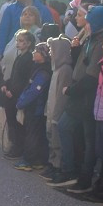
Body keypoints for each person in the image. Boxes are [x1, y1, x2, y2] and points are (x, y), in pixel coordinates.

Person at [63, 5, 103, 197]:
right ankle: (75, 172)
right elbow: (82, 63)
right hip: (82, 95)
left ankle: (84, 178)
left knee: (89, 139)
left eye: (89, 20)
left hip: (89, 96)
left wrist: (72, 90)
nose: (86, 23)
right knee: (75, 132)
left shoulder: (101, 40)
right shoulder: (91, 38)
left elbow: (92, 74)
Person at [0, 0, 54, 70]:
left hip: (34, 58)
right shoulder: (10, 9)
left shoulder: (43, 10)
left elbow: (50, 34)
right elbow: (3, 32)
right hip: (12, 53)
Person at [41, 36, 74, 186]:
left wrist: (56, 115)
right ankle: (52, 163)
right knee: (50, 138)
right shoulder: (55, 68)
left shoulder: (65, 70)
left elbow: (62, 96)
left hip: (57, 112)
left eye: (51, 49)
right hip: (51, 109)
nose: (49, 52)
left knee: (57, 140)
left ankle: (58, 167)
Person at [15, 41, 52, 170]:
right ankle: (38, 160)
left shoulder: (43, 72)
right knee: (37, 134)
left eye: (36, 51)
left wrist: (21, 103)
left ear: (43, 55)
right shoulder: (38, 68)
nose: (33, 53)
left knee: (32, 134)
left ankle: (28, 161)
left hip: (36, 108)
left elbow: (34, 91)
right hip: (35, 107)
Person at [2, 29, 38, 162]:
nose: (18, 43)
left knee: (17, 123)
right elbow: (14, 75)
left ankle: (18, 147)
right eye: (17, 40)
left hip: (17, 95)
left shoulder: (28, 58)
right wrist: (6, 83)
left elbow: (24, 79)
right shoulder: (20, 56)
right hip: (11, 92)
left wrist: (14, 91)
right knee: (11, 121)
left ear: (28, 44)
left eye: (22, 41)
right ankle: (15, 145)